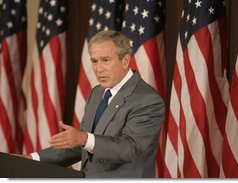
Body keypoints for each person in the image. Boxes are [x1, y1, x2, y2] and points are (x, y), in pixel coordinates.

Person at [23, 30, 165, 178]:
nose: (98, 69)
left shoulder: (147, 100)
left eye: (106, 60)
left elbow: (131, 148)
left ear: (125, 61)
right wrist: (32, 159)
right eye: (94, 61)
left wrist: (83, 138)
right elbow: (81, 145)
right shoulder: (97, 93)